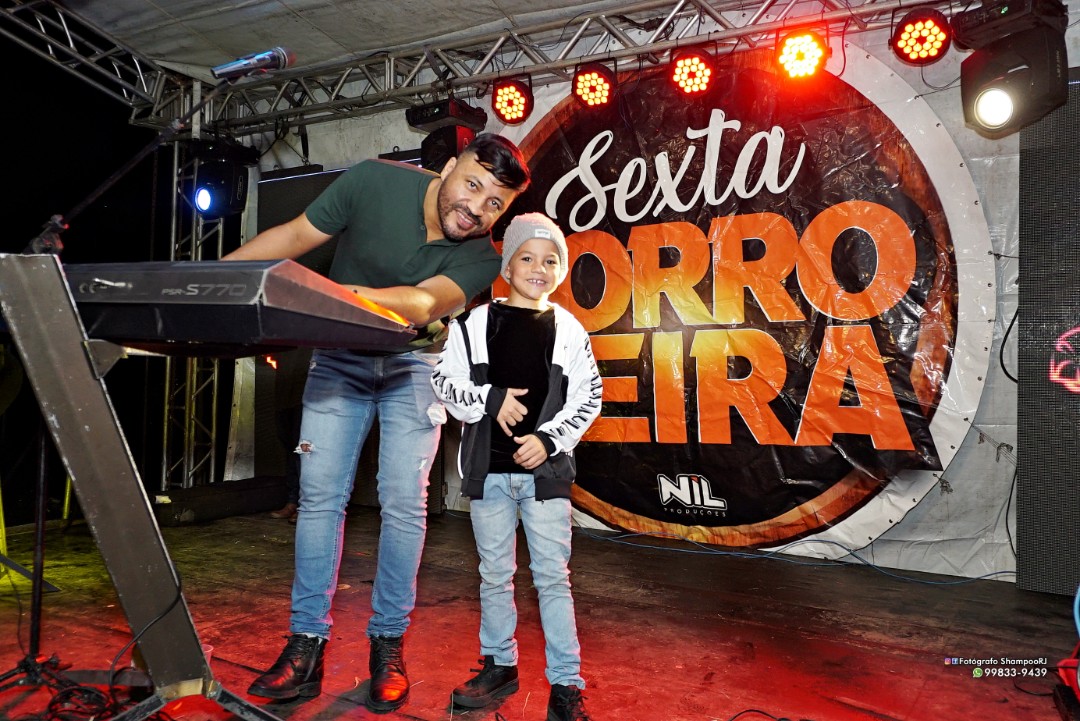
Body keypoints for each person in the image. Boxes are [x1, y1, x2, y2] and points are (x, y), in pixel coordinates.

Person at [222, 133, 530, 713]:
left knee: (404, 505)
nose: (476, 208)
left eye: (495, 203)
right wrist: (220, 281)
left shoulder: (483, 256)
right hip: (339, 356)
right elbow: (292, 237)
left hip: (414, 365)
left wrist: (320, 295)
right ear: (448, 167)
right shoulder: (372, 181)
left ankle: (387, 646)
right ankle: (305, 648)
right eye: (472, 185)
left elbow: (421, 303)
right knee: (319, 500)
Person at [430, 213, 603, 721]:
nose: (538, 269)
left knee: (552, 578)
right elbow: (444, 381)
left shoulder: (568, 329)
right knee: (494, 575)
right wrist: (491, 398)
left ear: (560, 271)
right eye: (527, 258)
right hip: (489, 475)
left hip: (545, 478)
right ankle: (499, 666)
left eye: (550, 261)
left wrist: (549, 441)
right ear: (507, 266)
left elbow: (589, 396)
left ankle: (566, 685)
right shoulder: (473, 325)